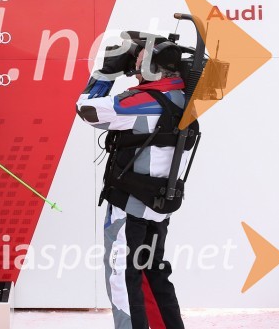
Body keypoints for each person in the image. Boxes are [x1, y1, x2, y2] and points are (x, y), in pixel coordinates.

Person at [76, 36, 195, 329]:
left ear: (155, 68)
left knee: (122, 278)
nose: (134, 65)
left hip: (130, 207)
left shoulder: (140, 102)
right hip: (158, 206)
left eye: (140, 60)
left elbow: (85, 109)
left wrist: (105, 73)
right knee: (153, 273)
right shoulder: (185, 97)